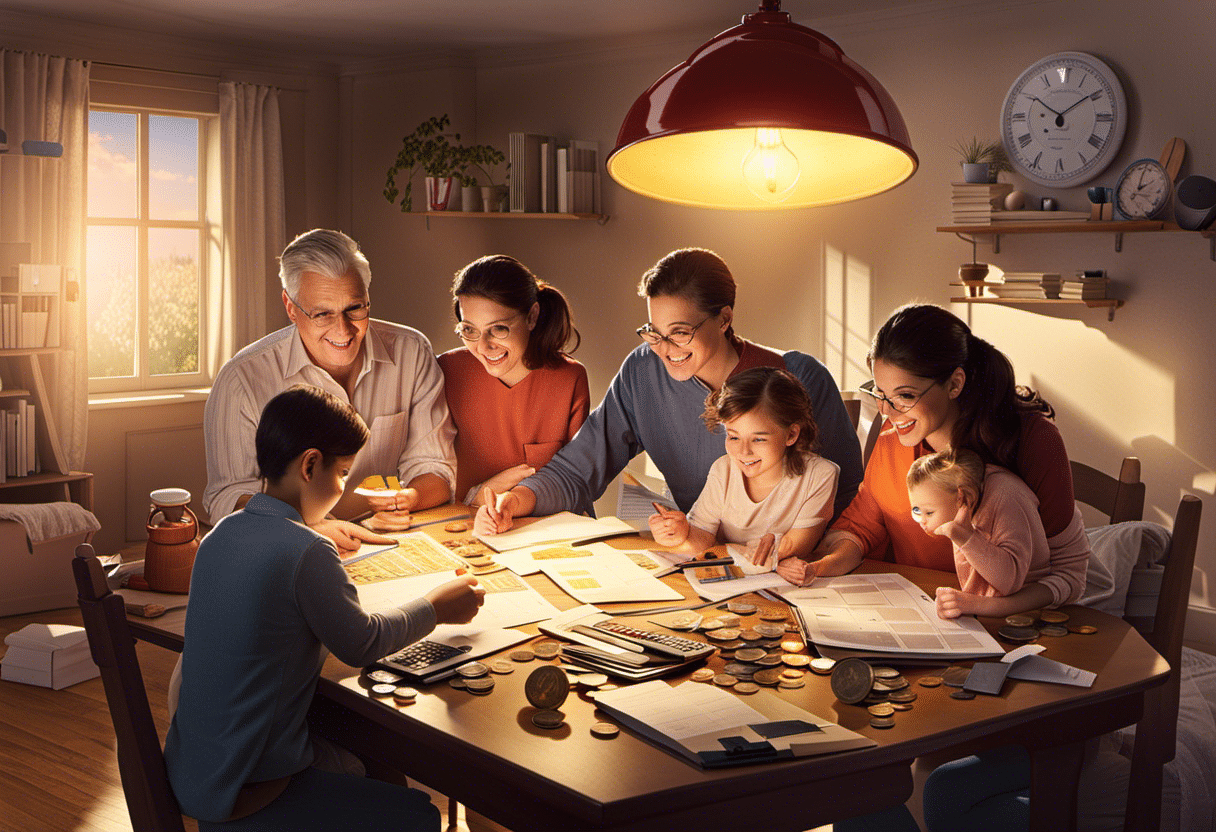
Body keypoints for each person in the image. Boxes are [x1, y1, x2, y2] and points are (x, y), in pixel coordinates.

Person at [165, 385, 484, 829]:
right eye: (343, 474)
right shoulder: (306, 549)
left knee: (372, 765)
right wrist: (436, 607)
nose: (343, 489)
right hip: (253, 789)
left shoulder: (221, 534)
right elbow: (362, 642)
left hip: (199, 775)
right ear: (310, 464)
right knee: (420, 814)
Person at [474, 248, 862, 536]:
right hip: (700, 556)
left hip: (791, 569)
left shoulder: (800, 376)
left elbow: (847, 498)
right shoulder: (643, 372)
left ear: (724, 318)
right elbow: (579, 467)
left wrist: (805, 560)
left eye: (680, 332)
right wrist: (516, 502)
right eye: (654, 333)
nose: (665, 349)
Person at [801, 303, 1088, 609]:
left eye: (905, 395)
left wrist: (988, 607)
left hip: (1014, 616)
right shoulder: (892, 440)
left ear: (954, 384)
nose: (886, 411)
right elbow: (860, 529)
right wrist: (820, 565)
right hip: (921, 610)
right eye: (881, 394)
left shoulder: (1034, 439)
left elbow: (1069, 575)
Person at [203, 229, 457, 553]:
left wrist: (409, 498)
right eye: (323, 313)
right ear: (291, 307)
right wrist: (312, 527)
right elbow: (227, 499)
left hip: (387, 543)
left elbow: (436, 468)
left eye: (355, 309)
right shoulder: (242, 379)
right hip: (286, 548)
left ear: (368, 297)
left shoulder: (412, 351)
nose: (343, 330)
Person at [648, 367, 838, 584]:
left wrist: (776, 549)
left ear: (791, 434)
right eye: (734, 437)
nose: (743, 452)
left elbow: (800, 543)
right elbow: (702, 537)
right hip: (729, 583)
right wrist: (681, 534)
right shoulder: (724, 470)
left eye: (759, 439)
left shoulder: (820, 475)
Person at [437, 255, 589, 506]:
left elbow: (577, 482)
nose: (484, 346)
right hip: (466, 525)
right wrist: (480, 494)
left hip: (548, 527)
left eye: (498, 329)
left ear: (532, 316)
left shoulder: (570, 379)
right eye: (469, 330)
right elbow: (428, 469)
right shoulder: (446, 371)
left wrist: (514, 499)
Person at [906, 448, 1052, 618]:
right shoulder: (962, 510)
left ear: (961, 498)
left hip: (1036, 601)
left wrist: (966, 538)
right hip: (998, 606)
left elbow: (1009, 583)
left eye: (929, 512)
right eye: (916, 510)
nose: (921, 520)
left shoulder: (1005, 497)